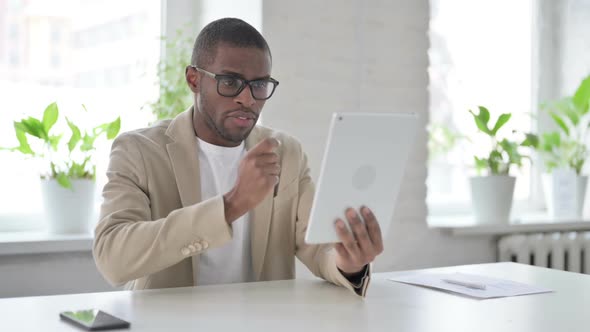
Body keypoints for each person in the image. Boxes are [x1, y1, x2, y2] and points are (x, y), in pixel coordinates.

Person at [93, 17, 383, 297]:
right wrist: (231, 204)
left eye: (259, 85)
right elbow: (112, 257)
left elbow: (318, 247)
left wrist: (350, 263)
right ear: (194, 79)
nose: (248, 99)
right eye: (230, 82)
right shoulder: (139, 150)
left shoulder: (286, 152)